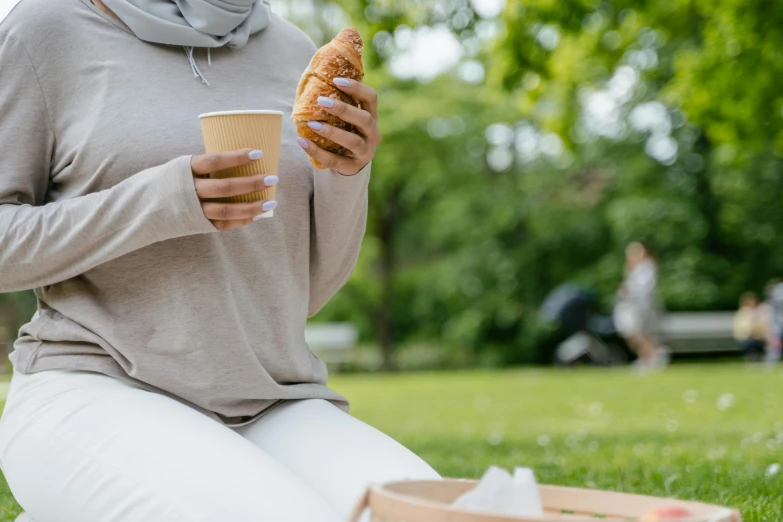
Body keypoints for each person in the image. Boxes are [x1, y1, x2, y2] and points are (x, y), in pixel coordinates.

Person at [0, 1, 439, 521]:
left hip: (271, 400)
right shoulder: (46, 29)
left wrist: (346, 175)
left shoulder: (293, 50)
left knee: (434, 514)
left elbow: (308, 289)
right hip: (93, 384)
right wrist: (166, 201)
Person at [613, 241, 666, 369]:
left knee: (642, 334)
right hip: (633, 307)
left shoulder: (647, 267)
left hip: (643, 306)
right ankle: (647, 358)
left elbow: (643, 289)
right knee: (635, 334)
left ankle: (653, 358)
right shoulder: (634, 268)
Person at [733, 292, 767, 361]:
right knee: (751, 343)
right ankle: (754, 359)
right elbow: (742, 329)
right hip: (746, 338)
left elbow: (763, 325)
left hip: (759, 337)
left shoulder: (759, 312)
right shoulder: (742, 313)